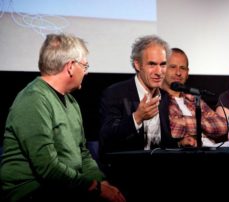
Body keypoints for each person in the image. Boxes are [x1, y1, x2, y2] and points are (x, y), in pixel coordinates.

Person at [0, 33, 125, 202]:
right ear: (70, 66)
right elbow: (47, 167)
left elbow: (83, 154)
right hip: (33, 192)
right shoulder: (33, 100)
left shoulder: (71, 101)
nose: (86, 73)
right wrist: (96, 188)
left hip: (67, 187)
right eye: (85, 66)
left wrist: (103, 183)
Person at [99, 35, 178, 153]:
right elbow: (107, 138)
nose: (159, 72)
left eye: (162, 64)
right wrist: (137, 117)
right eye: (152, 64)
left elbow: (166, 142)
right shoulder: (115, 93)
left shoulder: (165, 97)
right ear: (137, 64)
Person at [161, 48, 228, 147]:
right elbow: (173, 130)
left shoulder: (192, 98)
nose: (178, 73)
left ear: (188, 73)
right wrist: (203, 120)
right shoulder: (158, 98)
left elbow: (222, 126)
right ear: (163, 69)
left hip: (212, 150)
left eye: (183, 68)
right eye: (173, 67)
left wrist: (187, 122)